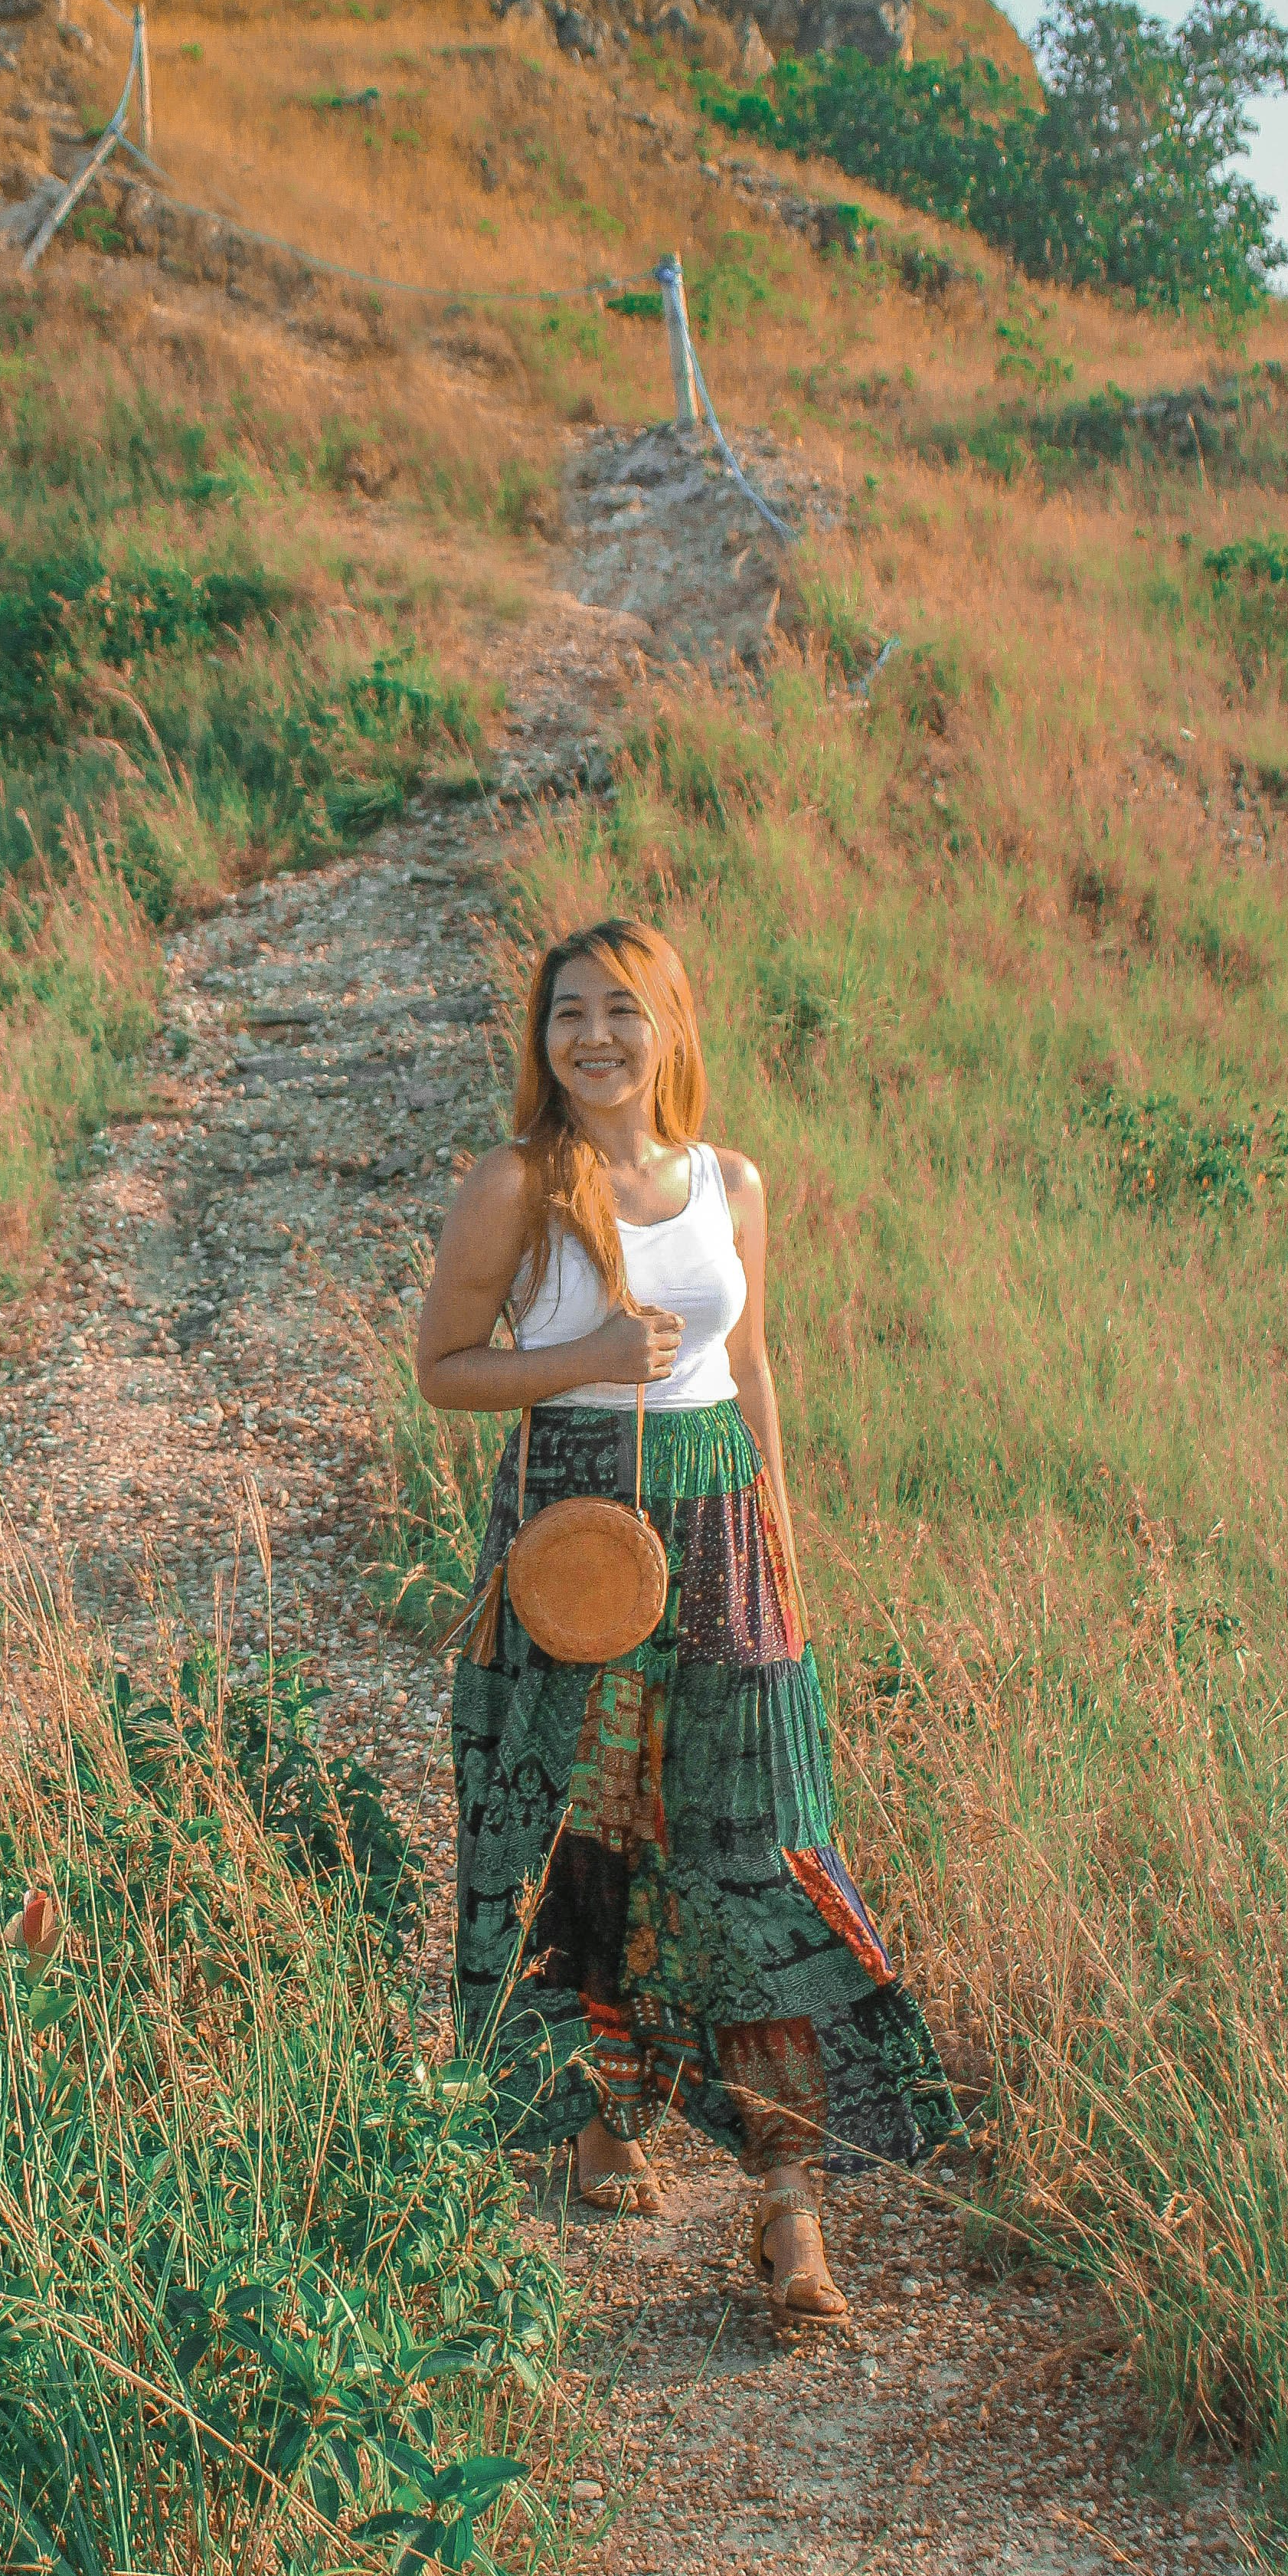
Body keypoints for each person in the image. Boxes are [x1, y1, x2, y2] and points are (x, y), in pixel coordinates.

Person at [414, 916, 956, 2326]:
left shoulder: (731, 1181)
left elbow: (751, 1361)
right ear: (542, 1040)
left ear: (671, 1028)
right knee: (584, 1846)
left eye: (620, 1012)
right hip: (573, 1541)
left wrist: (783, 1540)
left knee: (755, 1856)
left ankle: (791, 2205)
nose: (590, 1038)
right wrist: (582, 1357)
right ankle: (606, 2119)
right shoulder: (517, 1184)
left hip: (723, 1531)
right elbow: (444, 1369)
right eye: (565, 1015)